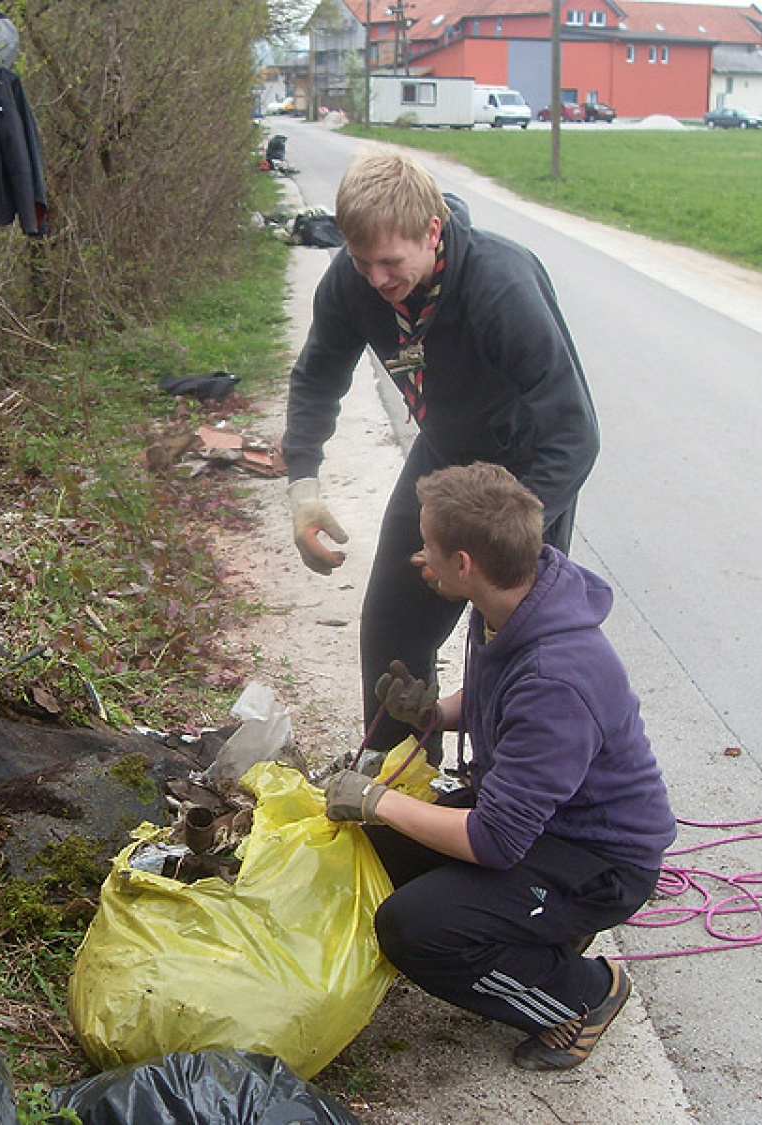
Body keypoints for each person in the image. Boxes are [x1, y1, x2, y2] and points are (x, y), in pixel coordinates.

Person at [322, 462, 675, 1072]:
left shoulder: (556, 679)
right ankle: (535, 934)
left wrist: (375, 799)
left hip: (597, 861)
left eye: (428, 547)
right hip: (542, 820)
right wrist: (433, 711)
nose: (419, 558)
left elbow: (493, 841)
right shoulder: (515, 600)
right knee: (374, 849)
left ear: (464, 564)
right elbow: (495, 704)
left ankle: (581, 995)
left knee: (413, 927)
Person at [283, 146, 599, 760]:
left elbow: (574, 435)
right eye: (362, 260)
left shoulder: (500, 287)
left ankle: (506, 801)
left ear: (433, 231)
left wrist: (491, 543)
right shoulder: (356, 283)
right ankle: (399, 799)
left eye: (391, 262)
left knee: (513, 654)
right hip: (445, 458)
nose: (377, 279)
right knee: (392, 643)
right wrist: (304, 487)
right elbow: (317, 375)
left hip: (523, 476)